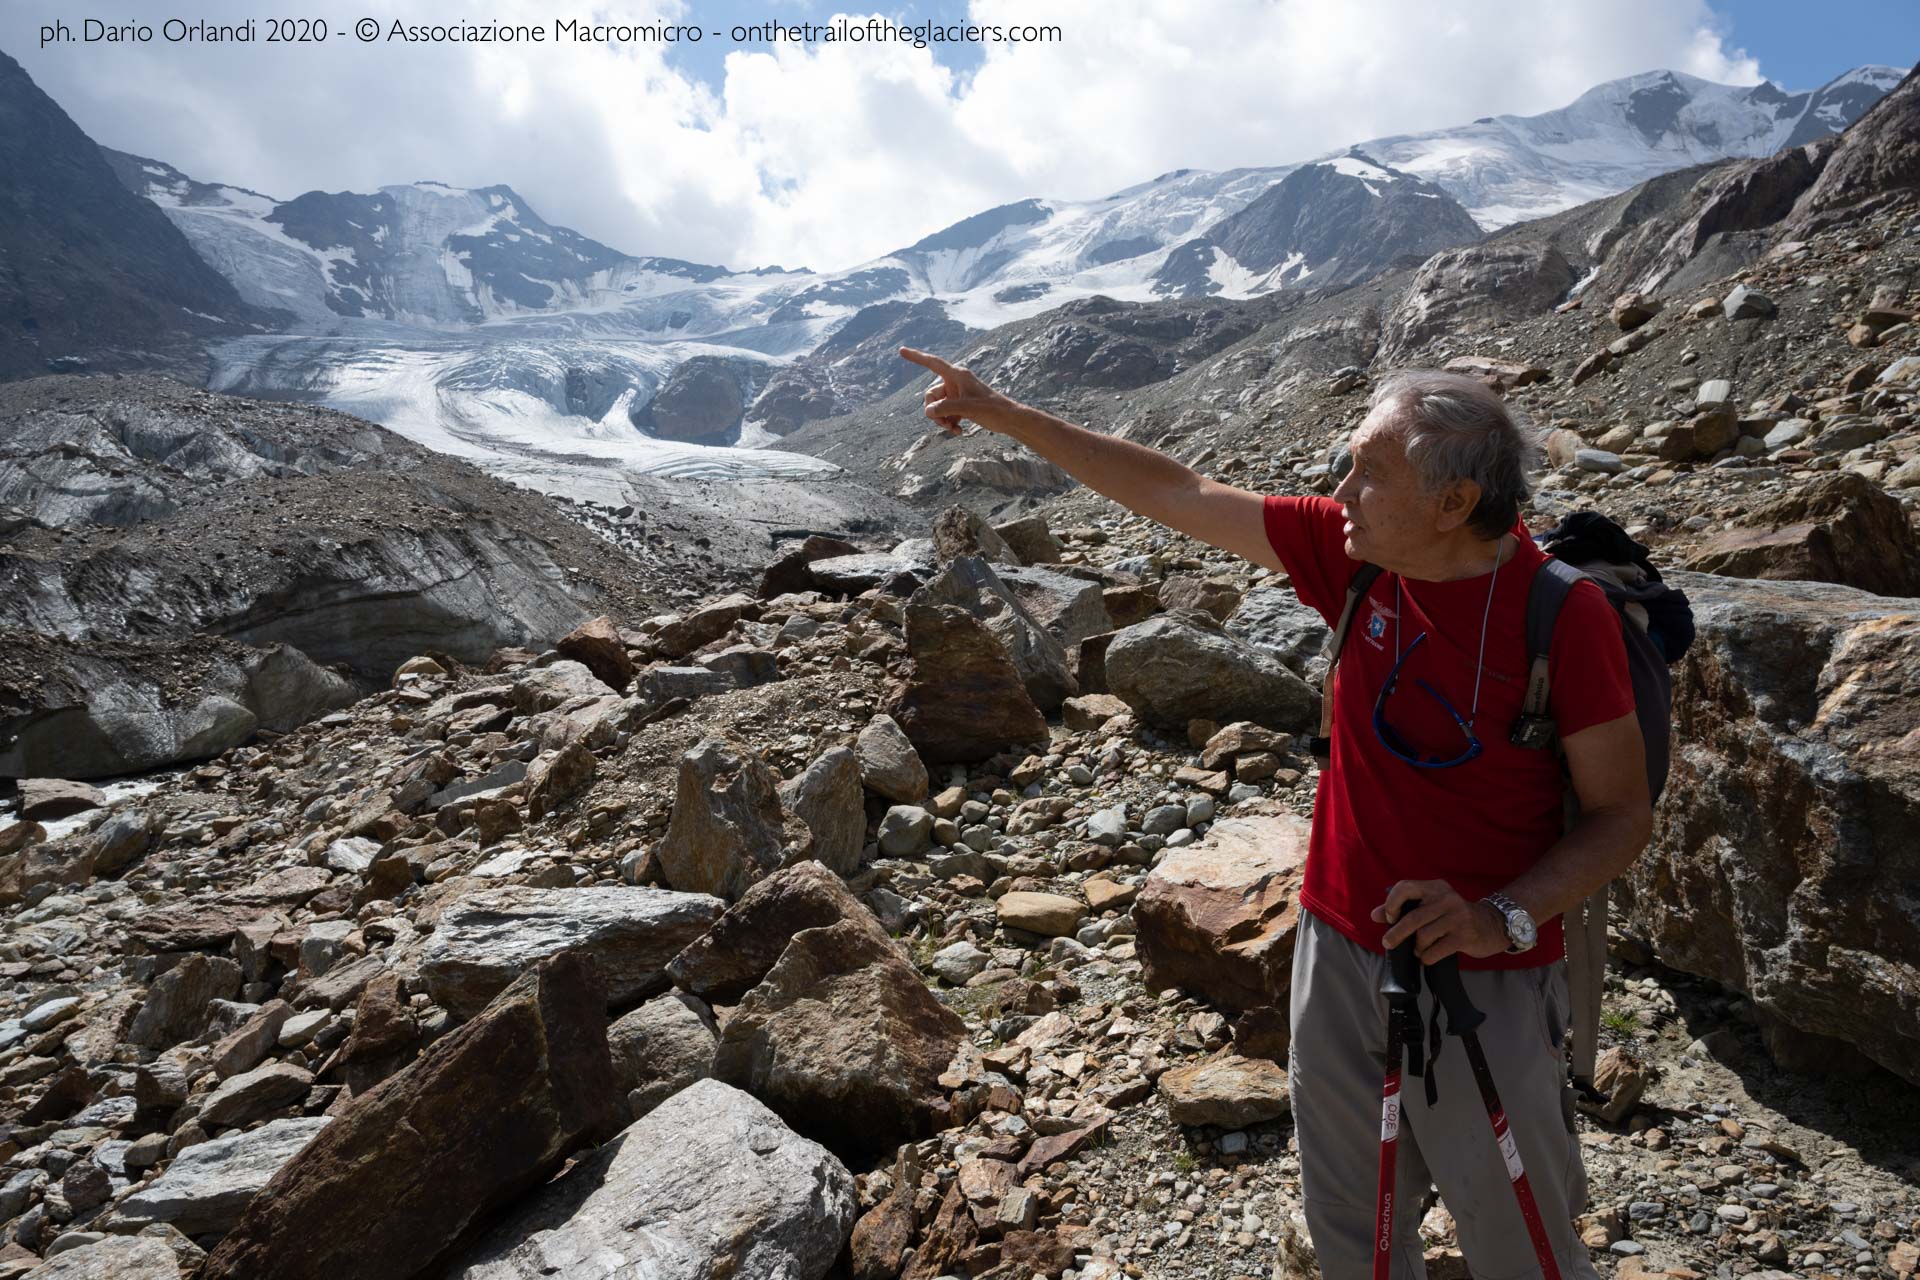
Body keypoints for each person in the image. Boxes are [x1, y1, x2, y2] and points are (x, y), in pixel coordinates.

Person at [898, 346, 1653, 1278]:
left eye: (1369, 474)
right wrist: (1002, 412)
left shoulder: (1559, 618)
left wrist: (1498, 919)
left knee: (1520, 1244)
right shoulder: (1359, 560)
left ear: (1455, 505)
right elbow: (1178, 493)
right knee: (1351, 1232)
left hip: (1485, 973)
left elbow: (1621, 814)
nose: (1340, 491)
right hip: (1336, 951)